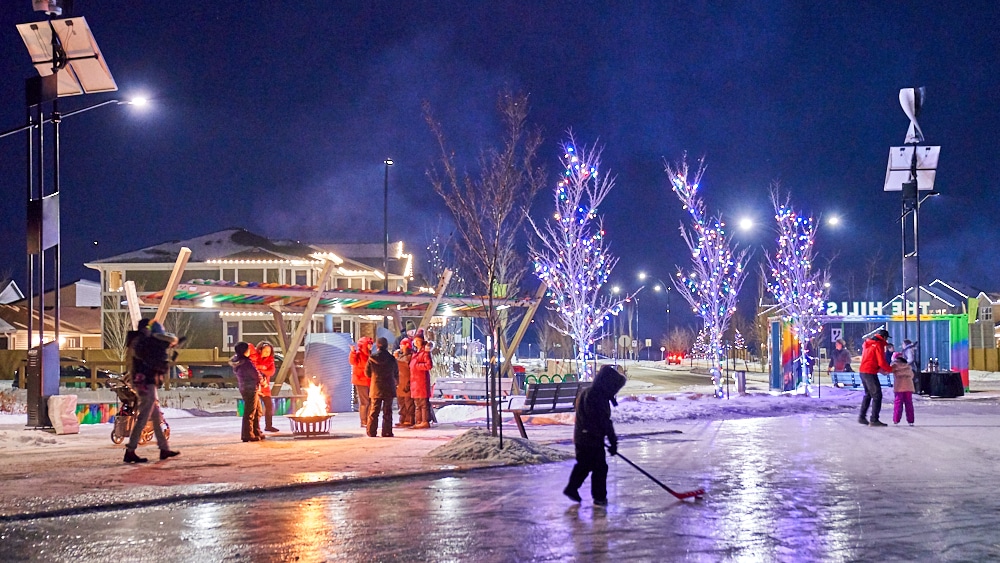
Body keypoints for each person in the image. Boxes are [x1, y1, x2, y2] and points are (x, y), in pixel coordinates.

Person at [563, 364, 627, 506]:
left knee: (588, 465)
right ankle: (597, 497)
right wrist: (612, 441)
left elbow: (602, 421)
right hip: (588, 438)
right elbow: (603, 421)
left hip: (587, 437)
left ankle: (574, 488)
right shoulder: (595, 396)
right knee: (597, 467)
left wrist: (609, 440)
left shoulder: (595, 393)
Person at [124, 320, 180, 463]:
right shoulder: (143, 343)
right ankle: (130, 450)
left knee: (155, 417)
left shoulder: (139, 341)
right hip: (145, 382)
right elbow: (148, 361)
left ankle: (164, 448)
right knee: (143, 417)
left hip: (145, 381)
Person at [231, 341, 265, 443]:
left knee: (258, 410)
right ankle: (247, 434)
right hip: (250, 389)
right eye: (248, 349)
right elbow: (255, 374)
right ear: (245, 351)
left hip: (246, 388)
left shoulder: (239, 362)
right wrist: (263, 382)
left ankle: (256, 431)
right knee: (250, 412)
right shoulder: (246, 363)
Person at [365, 337, 399, 437]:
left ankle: (371, 431)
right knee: (387, 411)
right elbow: (396, 372)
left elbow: (367, 373)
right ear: (386, 345)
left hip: (376, 387)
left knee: (374, 410)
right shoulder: (391, 359)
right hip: (389, 386)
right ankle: (387, 431)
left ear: (378, 345)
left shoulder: (372, 358)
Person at [859, 329, 892, 427]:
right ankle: (874, 419)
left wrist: (879, 369)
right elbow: (881, 361)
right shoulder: (878, 345)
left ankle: (862, 417)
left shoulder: (867, 344)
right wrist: (890, 369)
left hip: (863, 371)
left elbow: (871, 359)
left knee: (868, 394)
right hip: (870, 372)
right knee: (877, 395)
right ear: (884, 337)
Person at [252, 341, 279, 432]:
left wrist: (262, 370)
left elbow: (271, 372)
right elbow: (253, 368)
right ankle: (254, 427)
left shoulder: (270, 361)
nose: (267, 353)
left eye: (269, 351)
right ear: (260, 350)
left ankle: (269, 425)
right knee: (255, 408)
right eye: (266, 351)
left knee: (269, 405)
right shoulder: (255, 358)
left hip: (265, 386)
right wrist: (261, 367)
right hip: (255, 386)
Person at [409, 334, 433, 429]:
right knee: (417, 404)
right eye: (415, 341)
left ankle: (424, 421)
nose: (416, 343)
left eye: (418, 341)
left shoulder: (425, 353)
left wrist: (417, 366)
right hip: (415, 381)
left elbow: (429, 365)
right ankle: (418, 421)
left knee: (423, 403)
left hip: (421, 381)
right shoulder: (416, 353)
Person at [349, 336, 373, 428]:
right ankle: (364, 421)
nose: (371, 346)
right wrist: (353, 352)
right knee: (364, 402)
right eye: (369, 344)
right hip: (361, 381)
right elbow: (352, 361)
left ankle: (368, 420)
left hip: (368, 381)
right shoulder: (358, 354)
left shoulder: (369, 354)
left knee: (370, 402)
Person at [394, 338, 415, 427]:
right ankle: (402, 419)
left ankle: (409, 419)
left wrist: (396, 358)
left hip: (407, 382)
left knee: (408, 402)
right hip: (400, 382)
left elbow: (405, 363)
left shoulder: (410, 356)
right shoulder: (401, 356)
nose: (400, 347)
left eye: (402, 345)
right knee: (401, 402)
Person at [892, 355, 916, 426]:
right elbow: (912, 376)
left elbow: (887, 371)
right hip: (909, 387)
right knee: (909, 404)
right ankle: (910, 420)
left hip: (899, 388)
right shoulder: (908, 367)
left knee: (898, 404)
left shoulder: (895, 366)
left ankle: (896, 420)